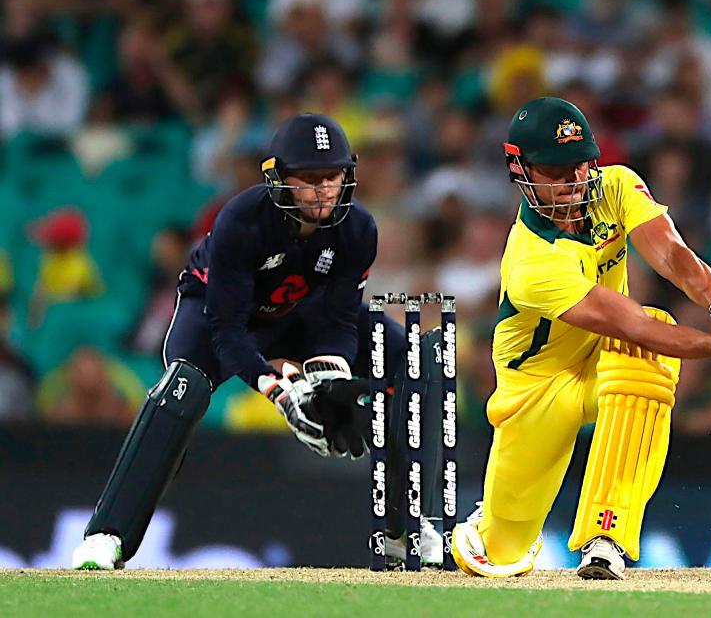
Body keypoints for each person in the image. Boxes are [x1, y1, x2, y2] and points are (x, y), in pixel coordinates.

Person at [72, 114, 443, 570]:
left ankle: (402, 529)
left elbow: (340, 320)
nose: (324, 190)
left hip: (301, 318)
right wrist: (281, 391)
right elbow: (229, 331)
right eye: (308, 179)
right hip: (218, 314)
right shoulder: (241, 220)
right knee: (181, 390)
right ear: (279, 179)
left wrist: (332, 376)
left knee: (400, 351)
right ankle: (106, 534)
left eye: (332, 176)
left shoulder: (358, 229)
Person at [450, 97, 711, 580]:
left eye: (580, 165)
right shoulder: (533, 261)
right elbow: (628, 321)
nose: (572, 182)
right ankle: (490, 529)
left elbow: (671, 253)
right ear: (521, 169)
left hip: (607, 359)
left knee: (645, 360)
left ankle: (604, 535)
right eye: (555, 170)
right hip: (535, 390)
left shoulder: (616, 185)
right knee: (500, 556)